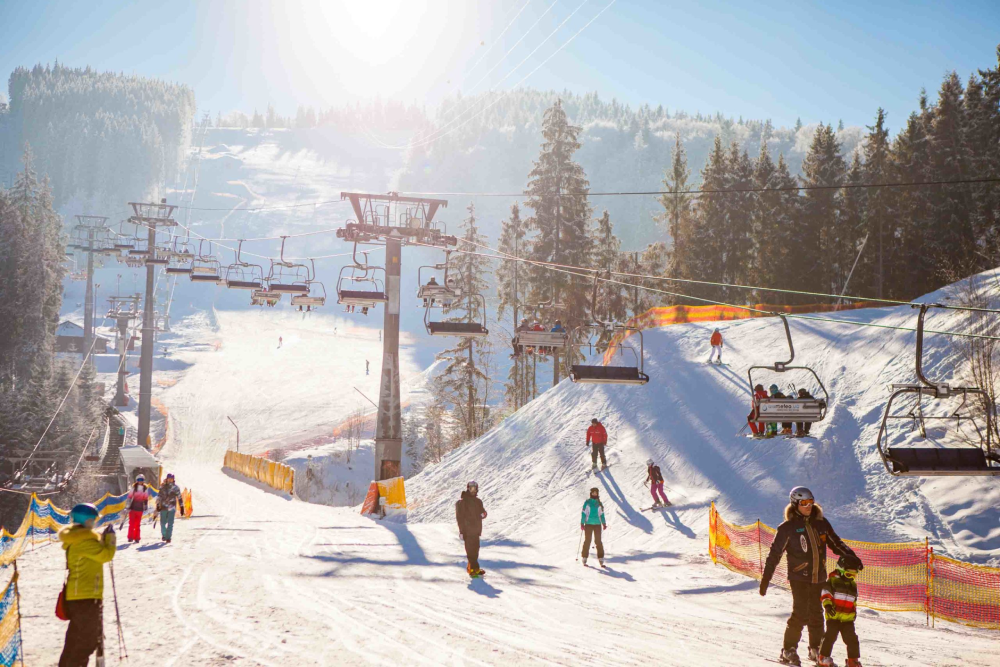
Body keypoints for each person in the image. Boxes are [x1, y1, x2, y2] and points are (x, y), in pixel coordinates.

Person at [760, 487, 858, 666]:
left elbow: (836, 543)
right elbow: (774, 554)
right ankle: (788, 650)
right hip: (799, 578)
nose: (808, 506)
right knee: (800, 613)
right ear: (795, 504)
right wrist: (766, 579)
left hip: (818, 577)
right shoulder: (787, 528)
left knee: (816, 614)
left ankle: (816, 649)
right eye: (804, 503)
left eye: (811, 503)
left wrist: (851, 557)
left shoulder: (821, 523)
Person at [58, 503, 116, 667]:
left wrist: (102, 539)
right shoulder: (83, 541)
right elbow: (106, 555)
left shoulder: (79, 537)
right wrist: (110, 540)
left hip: (81, 595)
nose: (94, 524)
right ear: (86, 521)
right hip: (85, 596)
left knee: (76, 640)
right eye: (92, 521)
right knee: (86, 642)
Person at [818, 554, 865, 667]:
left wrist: (853, 613)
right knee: (830, 637)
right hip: (833, 617)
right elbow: (825, 593)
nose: (851, 578)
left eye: (854, 575)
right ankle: (823, 658)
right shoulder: (833, 581)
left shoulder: (852, 585)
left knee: (852, 639)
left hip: (847, 619)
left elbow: (853, 600)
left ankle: (852, 660)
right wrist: (828, 606)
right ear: (840, 570)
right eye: (848, 574)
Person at [455, 481, 487, 577]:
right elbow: (459, 518)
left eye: (475, 488)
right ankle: (473, 569)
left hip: (476, 530)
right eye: (471, 488)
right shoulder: (462, 502)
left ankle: (473, 569)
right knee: (470, 551)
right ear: (468, 489)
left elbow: (483, 512)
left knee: (476, 550)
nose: (473, 490)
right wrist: (461, 531)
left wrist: (483, 514)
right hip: (467, 531)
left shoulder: (478, 501)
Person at [580, 487, 607, 567]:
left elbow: (602, 514)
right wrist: (582, 523)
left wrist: (604, 523)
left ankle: (601, 558)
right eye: (593, 492)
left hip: (597, 524)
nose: (595, 494)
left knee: (598, 541)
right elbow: (584, 513)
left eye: (596, 492)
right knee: (587, 541)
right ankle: (584, 557)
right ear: (591, 493)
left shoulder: (599, 503)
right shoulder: (587, 502)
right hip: (588, 524)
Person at [157, 473, 184, 543]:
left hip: (172, 507)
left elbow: (179, 497)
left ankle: (168, 537)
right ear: (167, 478)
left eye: (171, 479)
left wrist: (182, 506)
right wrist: (158, 504)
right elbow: (159, 496)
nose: (170, 480)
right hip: (163, 507)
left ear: (173, 479)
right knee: (162, 523)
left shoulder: (175, 488)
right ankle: (164, 534)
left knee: (170, 523)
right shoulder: (162, 487)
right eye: (169, 478)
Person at [126, 474, 150, 543]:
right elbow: (129, 497)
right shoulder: (134, 488)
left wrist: (145, 506)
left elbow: (145, 498)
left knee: (137, 524)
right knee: (131, 523)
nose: (140, 481)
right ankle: (130, 537)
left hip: (140, 508)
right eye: (139, 480)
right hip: (132, 508)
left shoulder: (145, 489)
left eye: (141, 480)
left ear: (143, 481)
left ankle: (137, 537)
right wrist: (128, 506)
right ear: (137, 481)